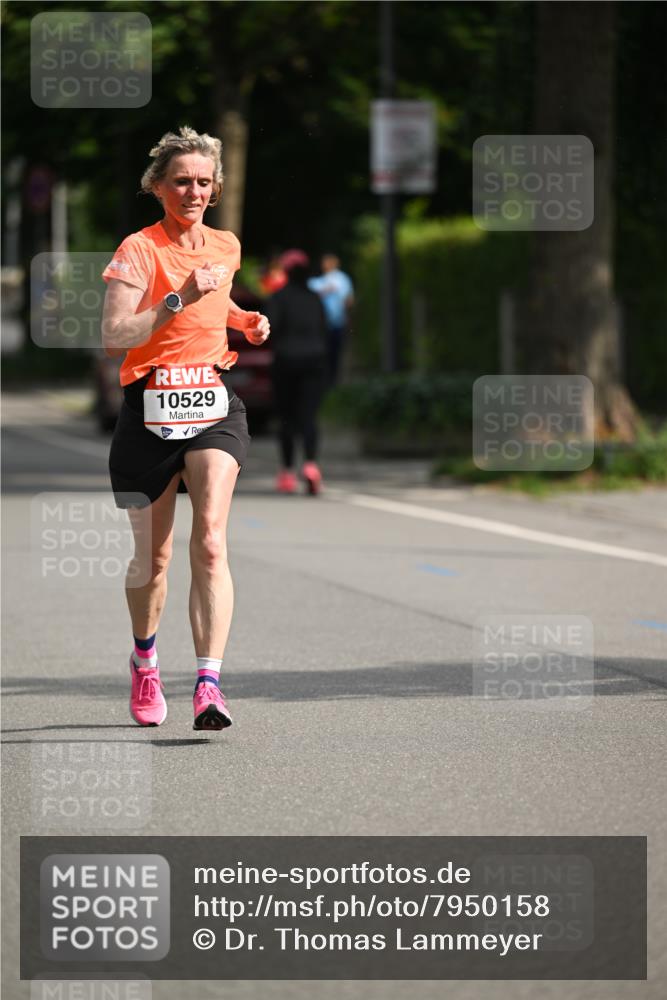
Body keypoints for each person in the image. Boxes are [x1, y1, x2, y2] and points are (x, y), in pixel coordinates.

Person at [101, 126, 270, 731]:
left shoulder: (225, 245)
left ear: (216, 188)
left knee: (213, 540)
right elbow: (116, 334)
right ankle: (145, 660)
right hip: (149, 406)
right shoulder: (138, 250)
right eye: (181, 181)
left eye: (203, 181)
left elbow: (215, 305)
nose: (192, 190)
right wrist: (175, 298)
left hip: (211, 401)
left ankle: (208, 684)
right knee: (154, 556)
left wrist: (243, 320)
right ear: (158, 187)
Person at [266, 249, 328, 494]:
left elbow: (271, 329)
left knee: (286, 418)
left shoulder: (278, 298)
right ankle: (311, 465)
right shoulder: (316, 298)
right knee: (309, 416)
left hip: (286, 362)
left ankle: (288, 472)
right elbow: (326, 330)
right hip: (315, 362)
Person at [308, 253, 354, 385]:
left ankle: (331, 382)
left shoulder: (341, 280)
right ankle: (327, 381)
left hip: (335, 323)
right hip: (324, 324)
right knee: (327, 354)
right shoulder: (319, 281)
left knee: (333, 354)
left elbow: (349, 301)